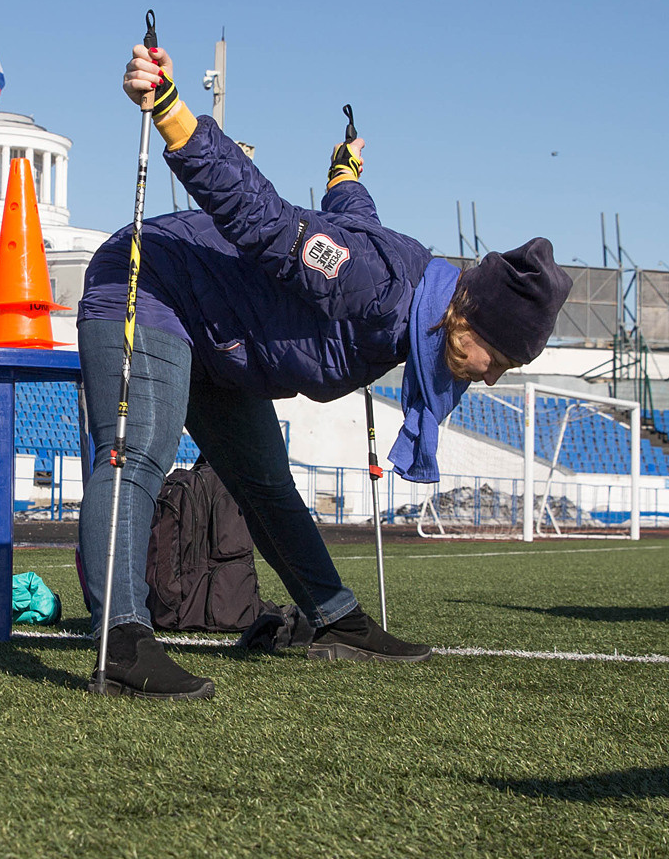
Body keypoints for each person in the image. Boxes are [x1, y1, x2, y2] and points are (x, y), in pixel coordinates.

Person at [76, 39, 572, 698]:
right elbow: (263, 221)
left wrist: (344, 172)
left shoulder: (416, 289)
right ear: (470, 319)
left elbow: (351, 219)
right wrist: (170, 109)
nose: (491, 377)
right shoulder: (377, 286)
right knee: (138, 450)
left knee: (265, 483)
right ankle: (122, 641)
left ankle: (335, 623)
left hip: (224, 338)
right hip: (151, 281)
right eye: (500, 360)